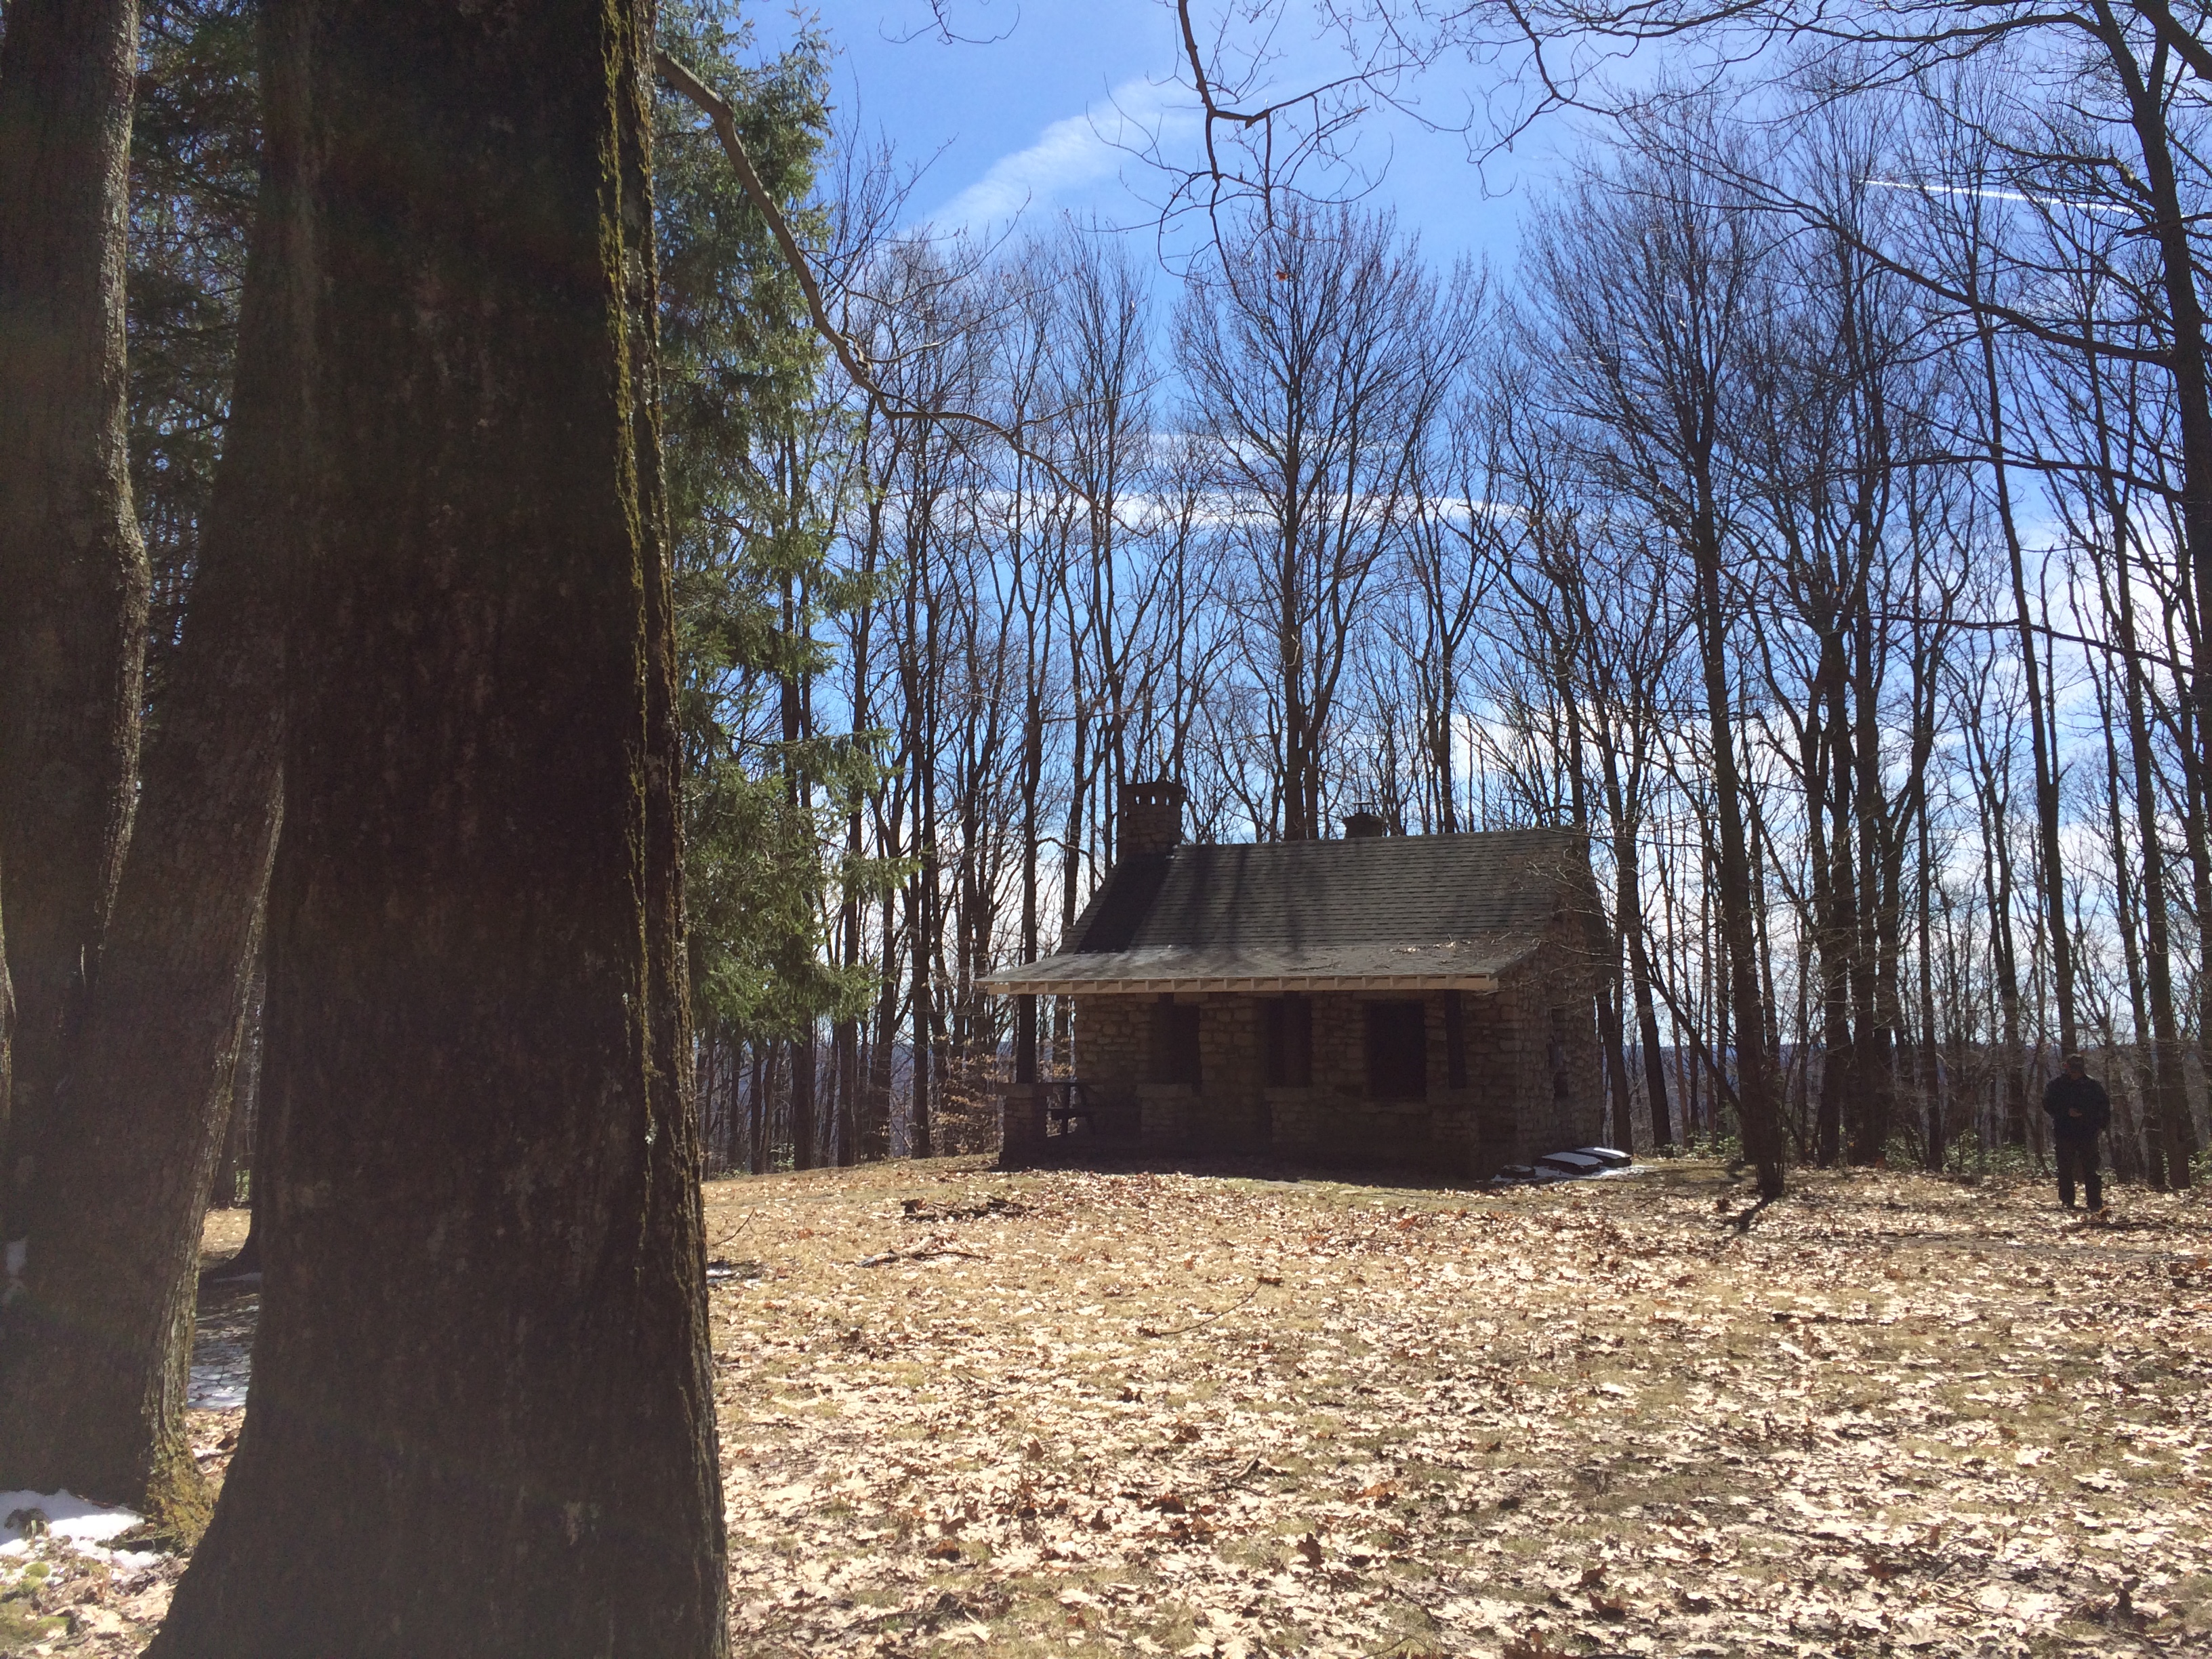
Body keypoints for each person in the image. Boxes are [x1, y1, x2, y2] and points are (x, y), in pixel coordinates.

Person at [2041, 1052, 2111, 1212]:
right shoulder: (2057, 1086)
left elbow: (2104, 1108)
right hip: (2065, 1132)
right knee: (2065, 1168)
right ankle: (2067, 1201)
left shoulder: (2093, 1086)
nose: (2075, 1073)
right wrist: (2066, 1112)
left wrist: (2100, 1126)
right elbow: (2047, 1104)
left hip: (2088, 1133)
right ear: (2067, 1068)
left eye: (2077, 1070)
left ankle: (2094, 1202)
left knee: (2091, 1169)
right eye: (2072, 1070)